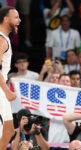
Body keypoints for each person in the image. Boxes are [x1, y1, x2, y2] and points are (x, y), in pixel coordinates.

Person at [0, 6, 20, 150]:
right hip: (0, 90)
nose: (19, 20)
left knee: (9, 131)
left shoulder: (4, 38)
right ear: (6, 19)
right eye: (16, 17)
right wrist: (6, 91)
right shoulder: (1, 40)